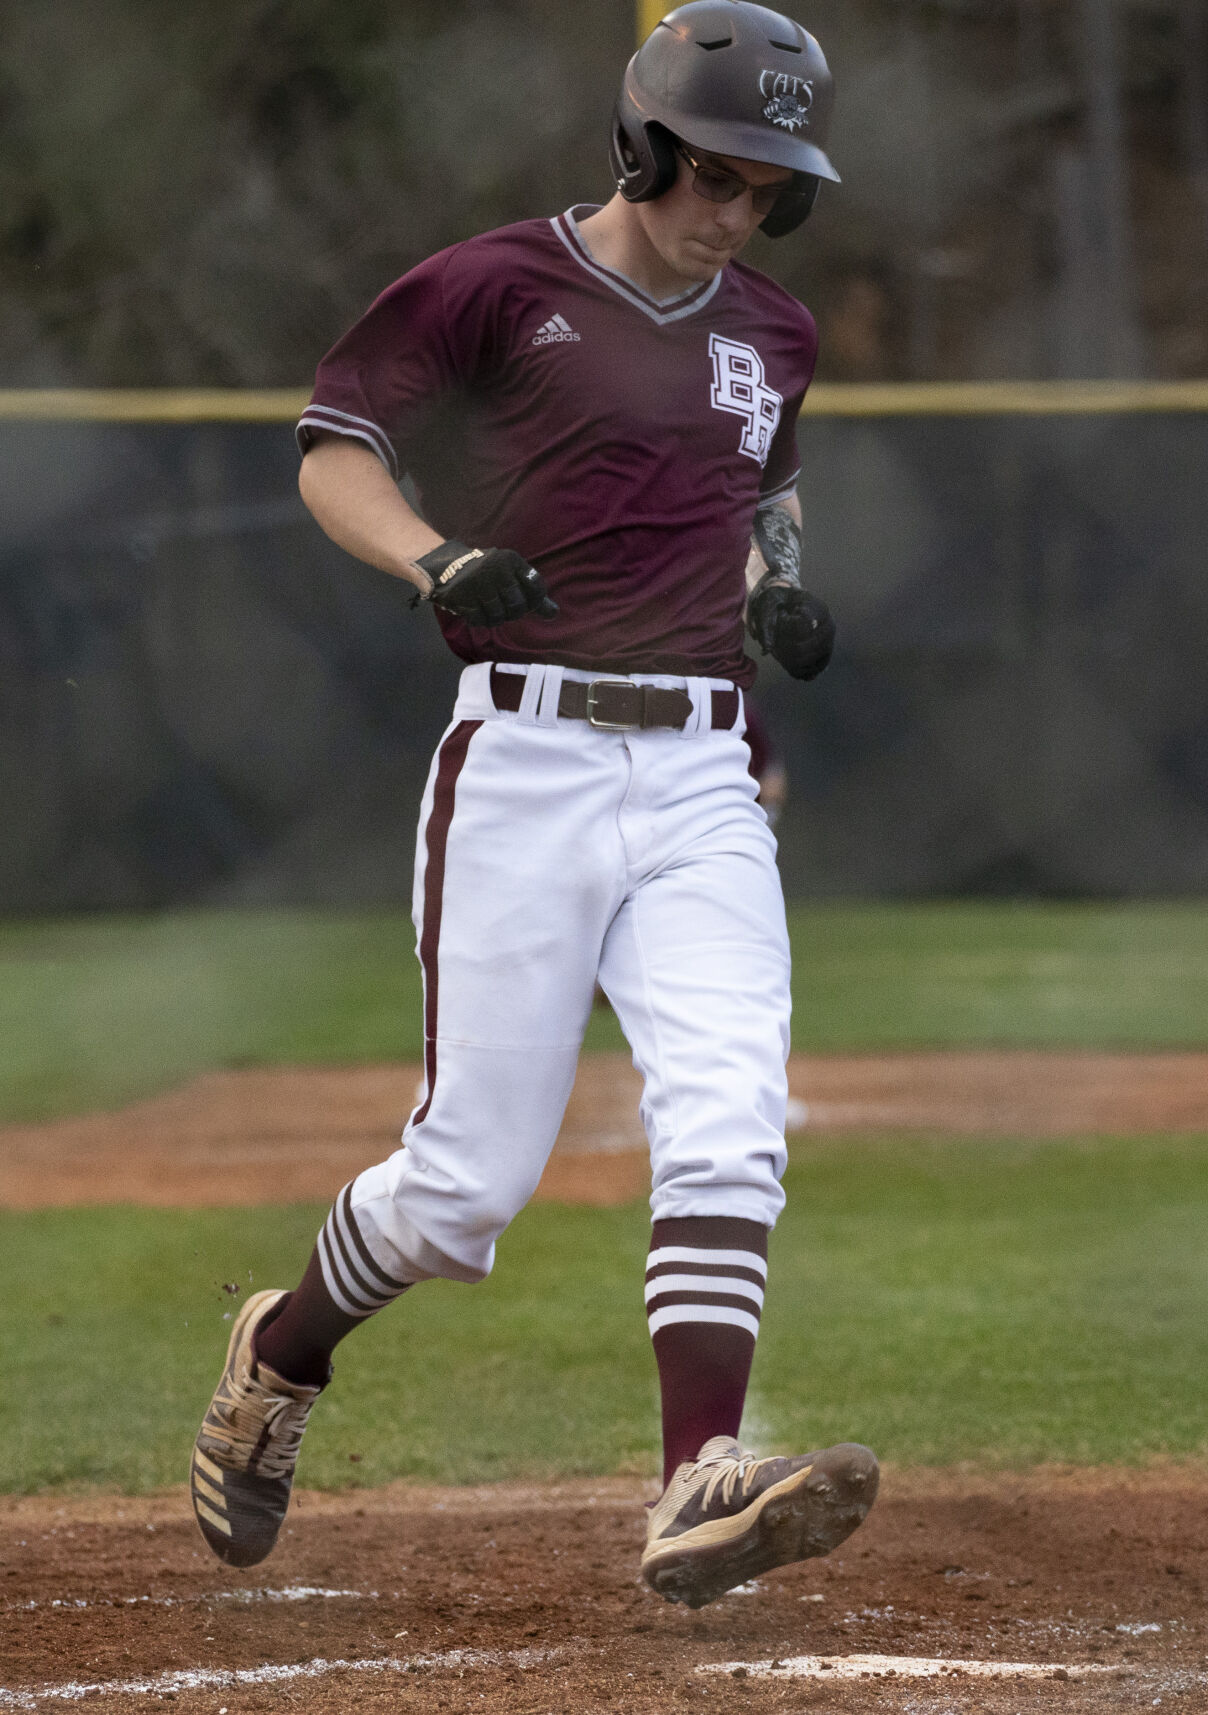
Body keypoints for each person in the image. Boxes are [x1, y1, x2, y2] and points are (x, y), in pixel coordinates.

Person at [190, 0, 878, 1610]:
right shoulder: (495, 285)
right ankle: (278, 1357)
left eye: (770, 189)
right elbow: (334, 450)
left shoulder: (772, 328)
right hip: (526, 757)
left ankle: (696, 1477)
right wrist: (435, 556)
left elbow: (766, 490)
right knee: (463, 1186)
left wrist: (781, 587)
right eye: (713, 173)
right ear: (639, 145)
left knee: (725, 1105)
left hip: (706, 760)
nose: (737, 211)